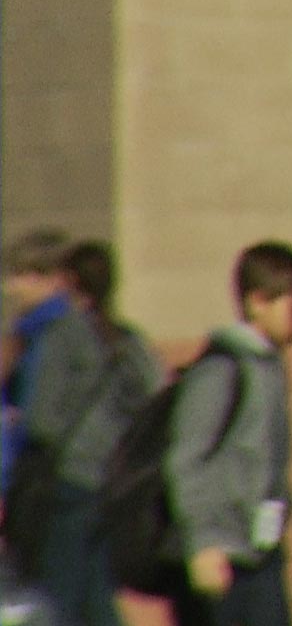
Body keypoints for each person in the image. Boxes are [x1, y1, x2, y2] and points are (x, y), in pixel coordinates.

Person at [166, 241, 292, 626]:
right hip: (222, 557)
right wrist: (202, 543)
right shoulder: (221, 370)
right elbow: (186, 459)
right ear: (258, 302)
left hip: (261, 552)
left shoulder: (269, 366)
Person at [19, 241, 163, 625]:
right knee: (97, 587)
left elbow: (42, 421)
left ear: (69, 281)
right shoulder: (127, 339)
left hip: (69, 476)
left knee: (59, 591)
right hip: (113, 477)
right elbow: (152, 395)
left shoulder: (62, 334)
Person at [2, 227, 73, 494]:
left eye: (23, 276)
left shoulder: (49, 333)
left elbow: (35, 409)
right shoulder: (25, 330)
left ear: (53, 279)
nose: (11, 287)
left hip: (41, 471)